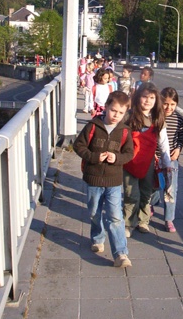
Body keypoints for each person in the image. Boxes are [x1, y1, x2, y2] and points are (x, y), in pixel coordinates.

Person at [73, 91, 134, 268]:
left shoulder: (124, 131)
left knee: (115, 217)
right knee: (94, 212)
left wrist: (117, 159)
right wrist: (93, 156)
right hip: (93, 178)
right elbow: (78, 145)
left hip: (114, 181)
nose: (116, 116)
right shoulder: (93, 126)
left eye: (121, 113)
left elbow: (129, 153)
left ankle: (121, 253)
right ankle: (98, 238)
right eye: (113, 110)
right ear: (106, 107)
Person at [123, 82, 171, 237]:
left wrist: (166, 162)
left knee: (146, 193)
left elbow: (163, 142)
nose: (148, 101)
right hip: (129, 161)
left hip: (148, 162)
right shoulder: (129, 116)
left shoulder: (158, 119)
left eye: (151, 98)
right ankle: (128, 223)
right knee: (131, 194)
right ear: (138, 97)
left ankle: (143, 221)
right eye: (144, 97)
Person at [159, 87, 183, 233]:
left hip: (172, 159)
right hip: (155, 159)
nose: (169, 107)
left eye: (172, 104)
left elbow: (180, 137)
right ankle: (151, 204)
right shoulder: (155, 117)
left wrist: (178, 149)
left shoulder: (178, 118)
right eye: (166, 104)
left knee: (170, 189)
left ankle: (169, 219)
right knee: (154, 188)